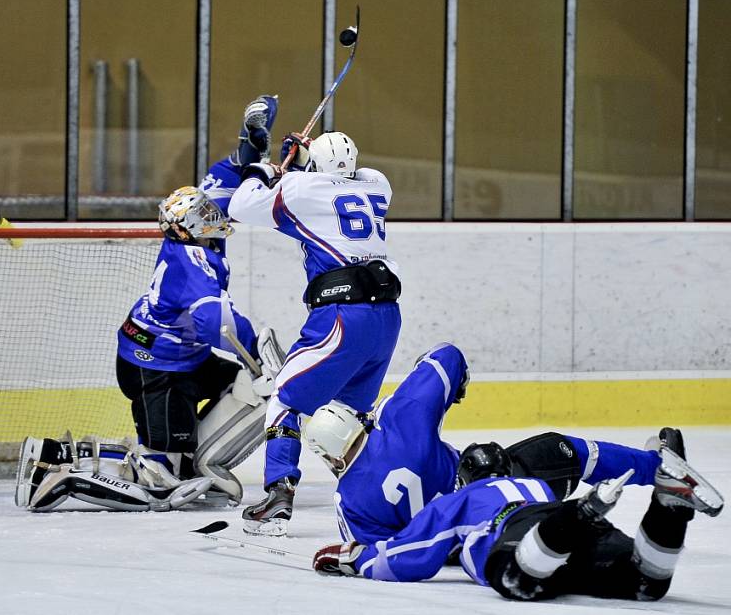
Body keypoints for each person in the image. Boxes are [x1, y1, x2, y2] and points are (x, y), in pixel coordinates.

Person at [15, 96, 285, 512]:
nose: (219, 215)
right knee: (160, 481)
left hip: (179, 359)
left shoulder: (193, 233)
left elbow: (223, 179)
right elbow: (216, 319)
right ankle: (57, 470)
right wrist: (256, 351)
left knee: (240, 387)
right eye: (210, 215)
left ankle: (194, 460)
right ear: (197, 226)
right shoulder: (193, 260)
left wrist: (253, 145)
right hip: (156, 368)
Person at [304, 342, 669, 545]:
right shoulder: (397, 419)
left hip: (463, 545)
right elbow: (446, 357)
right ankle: (658, 467)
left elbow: (365, 551)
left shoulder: (347, 499)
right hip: (498, 492)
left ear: (329, 455)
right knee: (565, 451)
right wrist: (442, 383)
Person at [312, 430, 724, 604]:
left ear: (465, 477)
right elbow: (581, 453)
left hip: (531, 531)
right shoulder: (536, 483)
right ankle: (668, 507)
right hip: (553, 516)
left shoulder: (460, 499)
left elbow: (410, 554)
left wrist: (359, 559)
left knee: (517, 577)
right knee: (646, 581)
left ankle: (582, 513)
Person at [227, 131, 402, 535]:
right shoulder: (378, 182)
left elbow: (242, 202)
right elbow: (335, 182)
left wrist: (265, 169)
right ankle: (377, 498)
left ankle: (278, 493)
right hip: (386, 317)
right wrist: (303, 159)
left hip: (341, 314)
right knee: (349, 415)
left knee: (285, 399)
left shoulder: (302, 187)